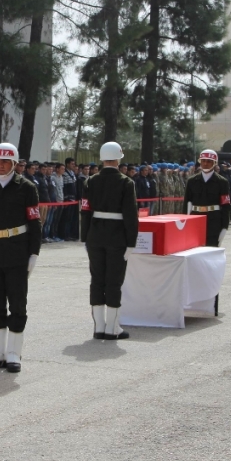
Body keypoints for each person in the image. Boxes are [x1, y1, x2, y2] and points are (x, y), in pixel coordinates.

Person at [0, 143, 41, 373]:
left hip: (17, 251)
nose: (0, 165)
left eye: (5, 161)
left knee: (17, 303)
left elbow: (34, 222)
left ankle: (13, 352)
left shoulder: (27, 188)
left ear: (14, 163)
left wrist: (34, 253)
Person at [80, 142, 138, 340]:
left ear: (102, 158)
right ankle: (113, 328)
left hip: (95, 235)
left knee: (97, 280)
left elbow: (85, 210)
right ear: (119, 158)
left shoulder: (90, 181)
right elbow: (131, 215)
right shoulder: (126, 182)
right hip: (117, 237)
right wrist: (132, 242)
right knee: (114, 281)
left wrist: (84, 237)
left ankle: (99, 327)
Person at [183, 150, 231, 247]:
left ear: (214, 163)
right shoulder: (192, 181)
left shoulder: (222, 182)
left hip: (213, 220)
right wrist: (185, 222)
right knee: (194, 249)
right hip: (195, 219)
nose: (205, 163)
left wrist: (224, 227)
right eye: (203, 161)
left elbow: (225, 206)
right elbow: (187, 203)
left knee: (211, 249)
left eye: (209, 161)